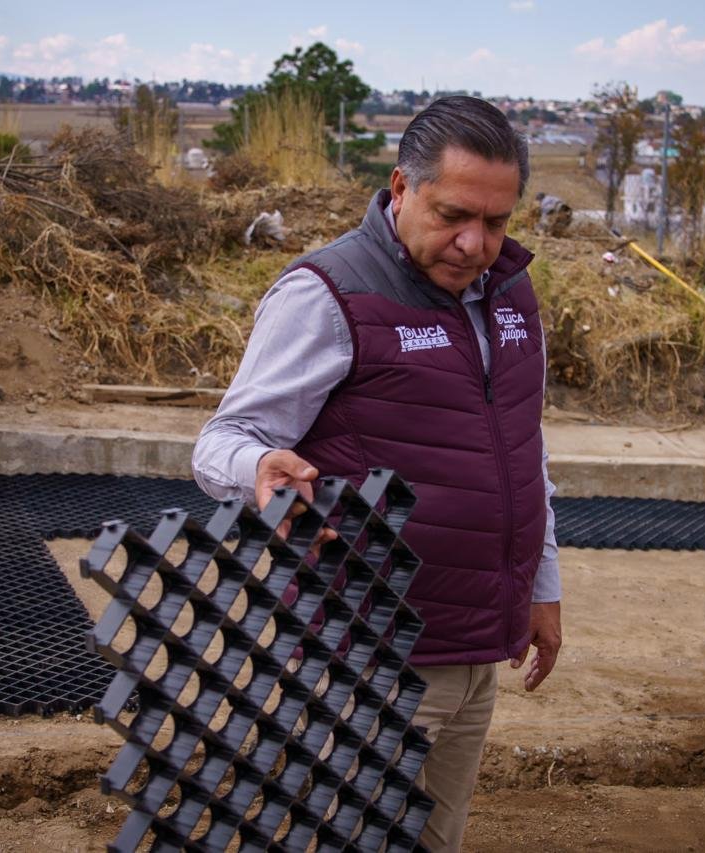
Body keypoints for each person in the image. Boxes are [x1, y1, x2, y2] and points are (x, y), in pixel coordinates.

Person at [192, 96, 562, 851]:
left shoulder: (512, 296)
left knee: (435, 839)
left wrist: (542, 587)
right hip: (366, 657)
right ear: (400, 189)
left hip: (472, 645)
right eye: (455, 214)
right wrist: (260, 464)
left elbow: (524, 450)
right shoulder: (328, 295)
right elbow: (221, 440)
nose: (475, 243)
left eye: (497, 222)